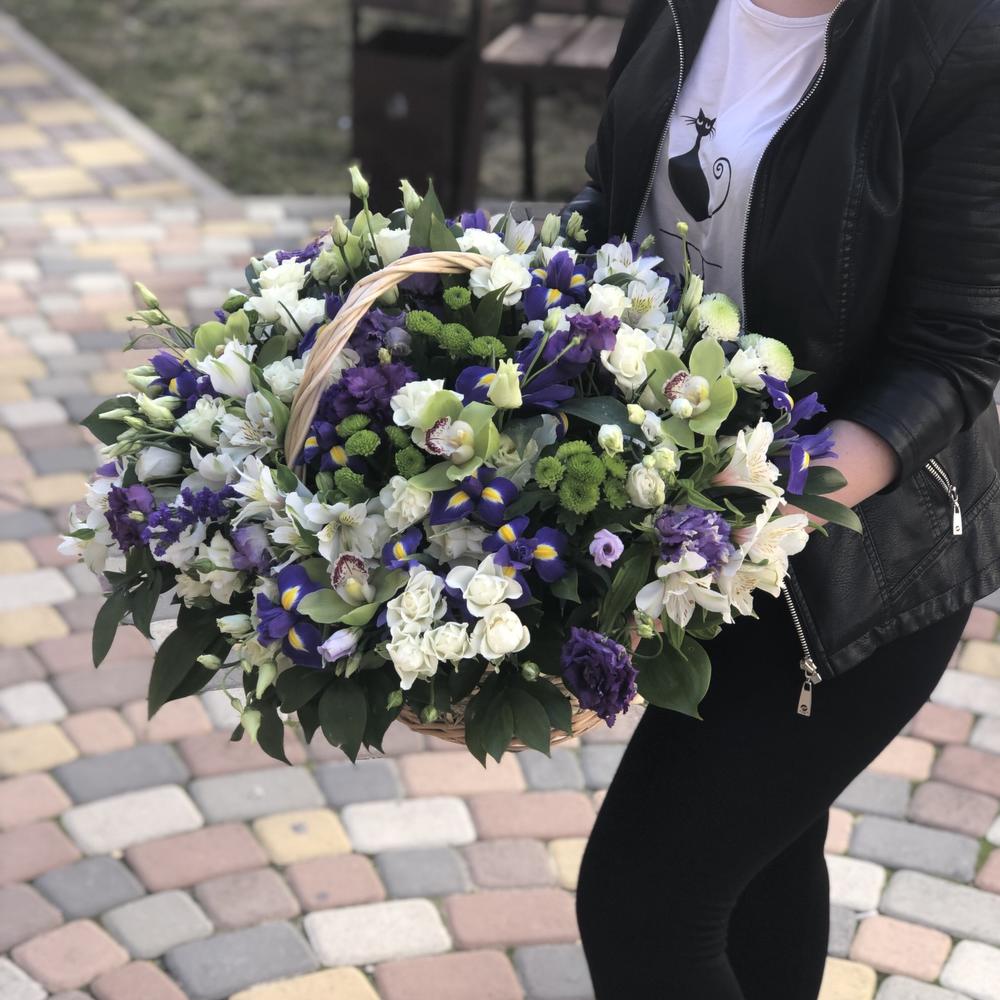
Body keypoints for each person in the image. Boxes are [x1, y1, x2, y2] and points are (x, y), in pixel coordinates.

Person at [563, 0, 1000, 996]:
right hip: (693, 525)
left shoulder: (961, 35)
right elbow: (613, 195)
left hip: (855, 561)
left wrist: (759, 496)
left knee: (644, 904)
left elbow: (951, 354)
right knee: (759, 866)